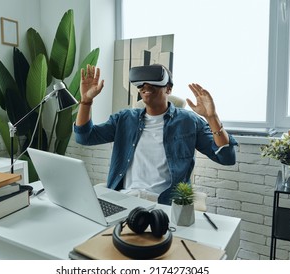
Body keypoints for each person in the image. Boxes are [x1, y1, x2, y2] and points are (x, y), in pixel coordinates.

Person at [74, 64, 238, 205]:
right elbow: (84, 137)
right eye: (142, 84)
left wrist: (212, 117)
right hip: (124, 198)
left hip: (163, 203)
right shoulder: (124, 119)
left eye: (153, 82)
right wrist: (86, 101)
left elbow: (226, 157)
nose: (146, 86)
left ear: (169, 88)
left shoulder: (189, 121)